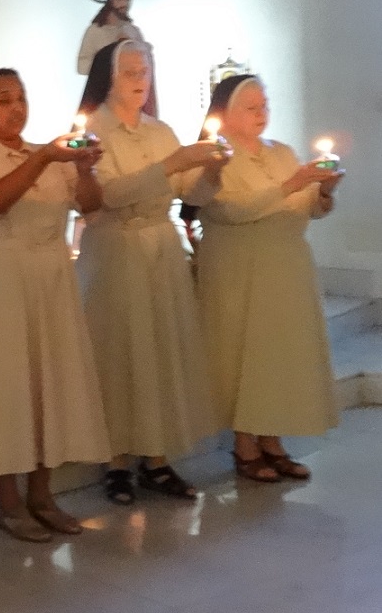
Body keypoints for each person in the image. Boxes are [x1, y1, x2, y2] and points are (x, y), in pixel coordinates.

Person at [0, 69, 111, 542]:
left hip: (51, 278)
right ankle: (9, 501)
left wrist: (85, 169)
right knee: (7, 386)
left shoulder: (51, 155)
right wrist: (43, 156)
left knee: (48, 383)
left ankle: (42, 495)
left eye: (21, 98)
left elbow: (91, 206)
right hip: (1, 282)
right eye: (4, 100)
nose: (16, 108)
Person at [78, 40, 228, 504]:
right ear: (109, 79)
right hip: (117, 249)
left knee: (161, 350)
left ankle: (157, 457)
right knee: (122, 352)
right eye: (130, 72)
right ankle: (117, 461)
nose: (140, 80)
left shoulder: (160, 130)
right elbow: (109, 195)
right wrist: (174, 163)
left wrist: (212, 171)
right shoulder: (94, 130)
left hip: (160, 250)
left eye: (145, 71)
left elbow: (188, 192)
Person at [191, 75, 342, 481]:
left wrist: (324, 191)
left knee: (276, 354)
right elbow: (231, 210)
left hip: (286, 266)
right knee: (243, 352)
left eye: (264, 106)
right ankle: (244, 443)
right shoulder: (215, 157)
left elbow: (308, 208)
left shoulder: (282, 152)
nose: (261, 114)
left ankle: (272, 440)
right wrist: (294, 183)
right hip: (240, 268)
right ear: (226, 113)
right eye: (251, 107)